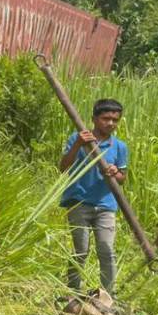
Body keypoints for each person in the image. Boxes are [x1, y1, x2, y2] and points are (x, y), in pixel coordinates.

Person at [59, 99, 128, 297]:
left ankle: (108, 294)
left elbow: (122, 178)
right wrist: (79, 145)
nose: (111, 123)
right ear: (94, 119)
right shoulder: (78, 139)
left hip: (106, 205)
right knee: (80, 249)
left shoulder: (119, 147)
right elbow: (64, 167)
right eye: (106, 118)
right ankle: (71, 292)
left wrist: (115, 172)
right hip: (78, 202)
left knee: (106, 250)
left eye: (115, 120)